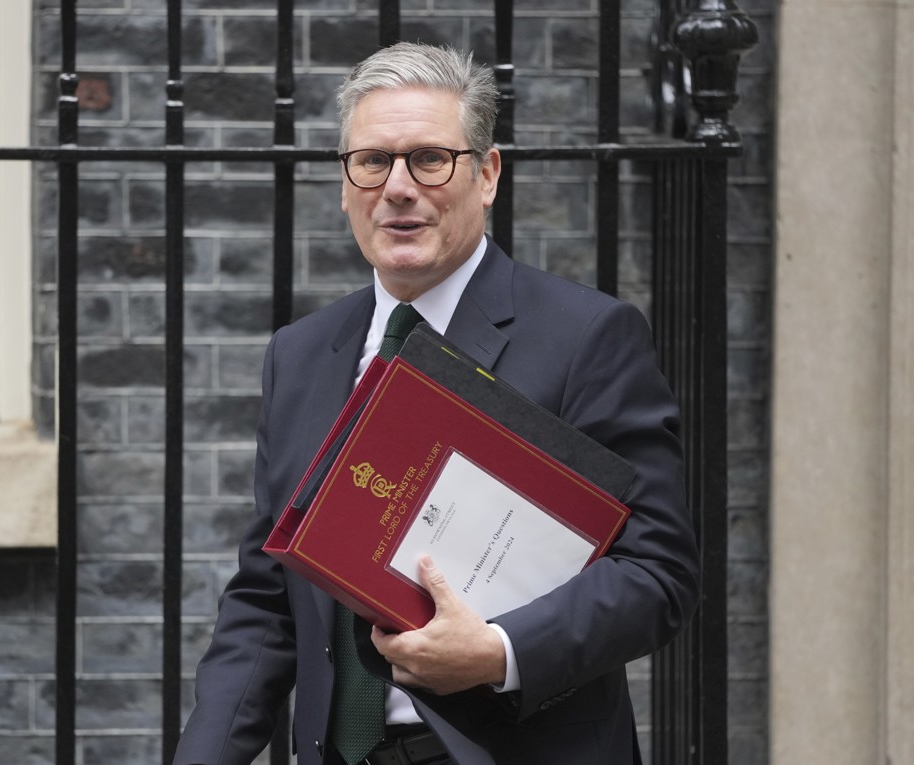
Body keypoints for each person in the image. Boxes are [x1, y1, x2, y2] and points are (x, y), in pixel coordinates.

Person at [172, 42, 699, 765]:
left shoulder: (586, 337)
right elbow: (268, 600)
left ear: (486, 174)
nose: (397, 187)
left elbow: (659, 572)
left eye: (429, 159)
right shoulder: (299, 355)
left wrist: (498, 651)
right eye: (373, 161)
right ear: (345, 181)